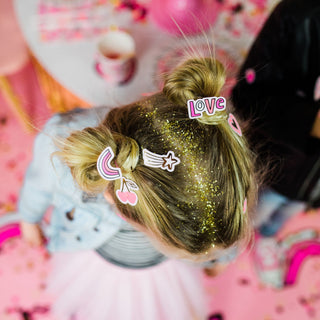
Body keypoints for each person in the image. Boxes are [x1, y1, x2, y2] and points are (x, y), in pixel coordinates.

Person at [19, 56, 258, 320]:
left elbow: (222, 209)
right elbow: (38, 185)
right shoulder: (61, 148)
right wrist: (29, 217)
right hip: (93, 252)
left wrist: (222, 254)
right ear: (114, 198)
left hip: (157, 273)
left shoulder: (205, 191)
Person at [232, 0, 320, 236]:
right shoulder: (296, 17)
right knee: (248, 219)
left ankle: (267, 233)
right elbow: (247, 97)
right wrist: (311, 122)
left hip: (311, 191)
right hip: (274, 170)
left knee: (277, 223)